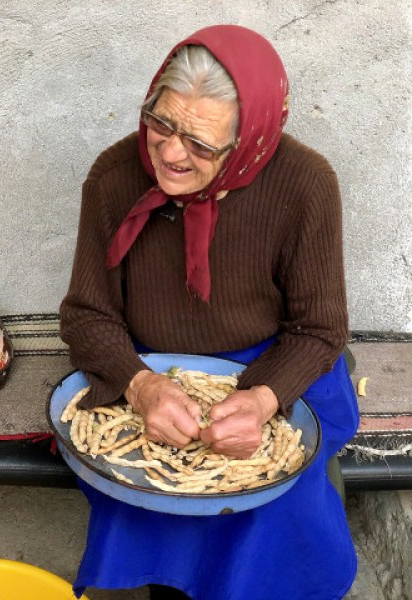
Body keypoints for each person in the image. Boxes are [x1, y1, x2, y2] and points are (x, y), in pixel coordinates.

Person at [59, 24, 359, 600]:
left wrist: (261, 398)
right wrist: (141, 386)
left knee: (270, 499)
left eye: (200, 144)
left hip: (272, 364)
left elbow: (320, 329)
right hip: (149, 369)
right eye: (161, 123)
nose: (170, 153)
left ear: (250, 143)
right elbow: (87, 315)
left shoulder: (305, 184)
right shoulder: (115, 175)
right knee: (148, 487)